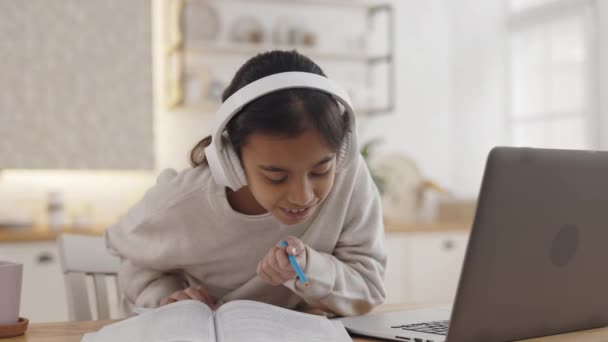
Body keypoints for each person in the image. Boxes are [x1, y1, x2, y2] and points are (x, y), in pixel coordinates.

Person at [105, 50, 387, 317]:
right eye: (276, 177)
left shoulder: (347, 173)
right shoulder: (184, 201)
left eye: (320, 171)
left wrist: (310, 269)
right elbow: (128, 251)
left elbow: (368, 289)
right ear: (231, 161)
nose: (302, 197)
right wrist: (167, 297)